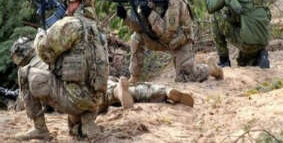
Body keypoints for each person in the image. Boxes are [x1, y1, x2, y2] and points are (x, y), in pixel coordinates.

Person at [15, 0, 109, 140]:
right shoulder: (96, 28)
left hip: (75, 99)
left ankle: (40, 129)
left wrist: (40, 34)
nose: (66, 7)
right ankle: (85, 121)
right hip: (95, 100)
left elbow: (44, 52)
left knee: (24, 73)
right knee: (74, 130)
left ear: (75, 1)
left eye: (68, 3)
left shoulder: (71, 24)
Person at [11, 37, 193, 115]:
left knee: (103, 98)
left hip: (70, 99)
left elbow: (26, 104)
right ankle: (164, 91)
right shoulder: (49, 54)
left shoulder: (28, 71)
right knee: (124, 88)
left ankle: (117, 93)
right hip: (89, 79)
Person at [116, 0, 223, 84]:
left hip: (180, 41)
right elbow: (140, 28)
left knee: (186, 78)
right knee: (136, 37)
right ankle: (135, 77)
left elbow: (168, 34)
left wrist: (150, 13)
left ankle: (211, 69)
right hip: (159, 38)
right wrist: (126, 18)